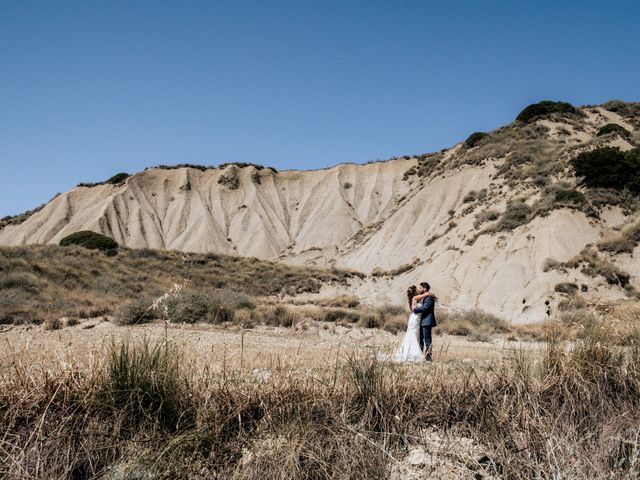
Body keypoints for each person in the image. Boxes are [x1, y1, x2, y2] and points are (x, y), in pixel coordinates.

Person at [392, 285, 436, 362]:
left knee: (416, 336)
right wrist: (430, 293)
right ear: (415, 291)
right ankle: (414, 354)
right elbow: (426, 295)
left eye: (420, 288)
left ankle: (418, 353)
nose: (419, 289)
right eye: (417, 289)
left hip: (417, 319)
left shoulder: (417, 297)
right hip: (415, 318)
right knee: (413, 334)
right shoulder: (415, 298)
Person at [413, 282, 437, 361]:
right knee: (421, 340)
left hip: (427, 321)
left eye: (420, 287)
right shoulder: (424, 297)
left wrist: (415, 309)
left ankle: (428, 358)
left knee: (427, 340)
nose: (419, 289)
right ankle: (420, 356)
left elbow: (424, 308)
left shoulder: (429, 298)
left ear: (425, 288)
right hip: (422, 321)